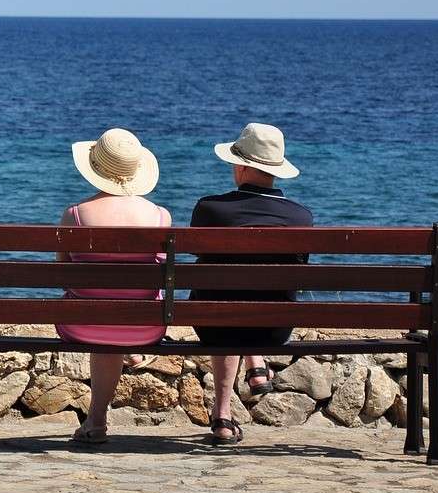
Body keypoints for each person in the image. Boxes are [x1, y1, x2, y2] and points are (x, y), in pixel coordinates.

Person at [190, 122, 312, 445]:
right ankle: (255, 361)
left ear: (241, 166)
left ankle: (222, 415)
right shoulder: (301, 219)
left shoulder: (209, 210)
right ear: (276, 171)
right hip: (273, 329)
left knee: (219, 294)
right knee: (248, 296)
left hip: (215, 324)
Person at [57, 128, 170, 445]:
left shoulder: (75, 215)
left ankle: (96, 421)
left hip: (82, 326)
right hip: (143, 328)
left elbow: (62, 276)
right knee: (116, 312)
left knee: (99, 311)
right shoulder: (160, 217)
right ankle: (96, 419)